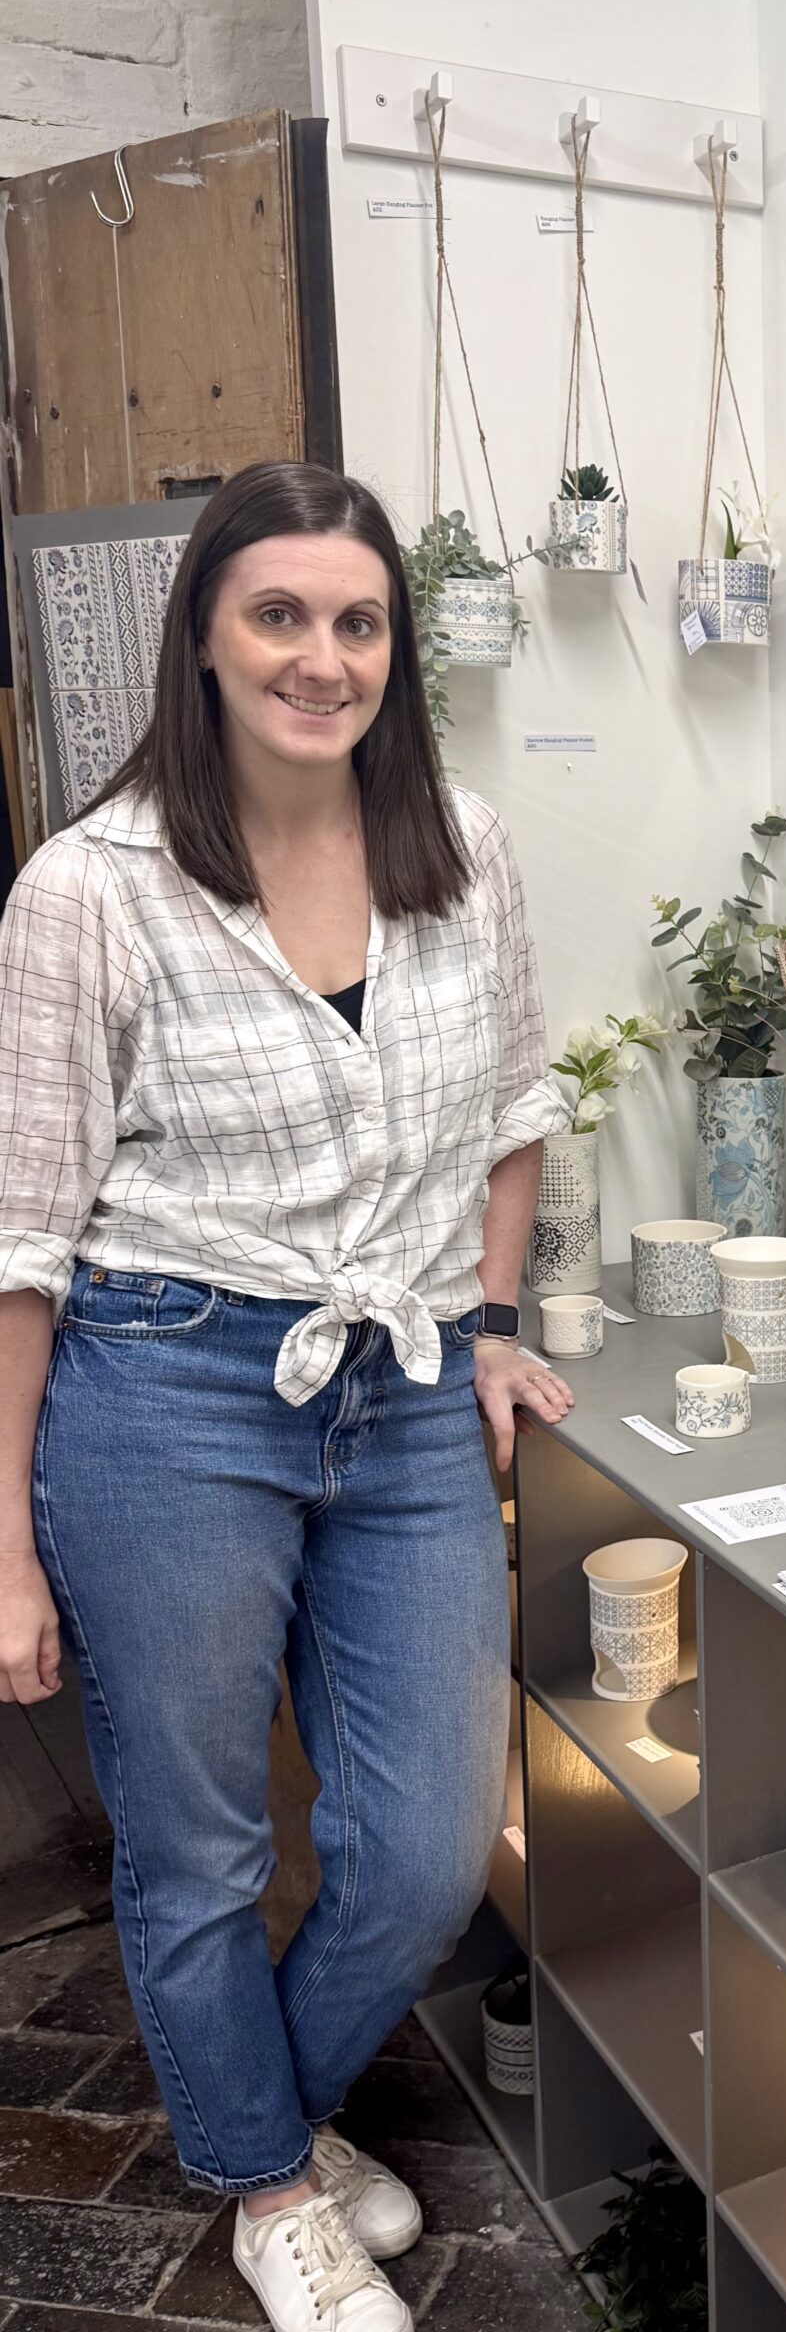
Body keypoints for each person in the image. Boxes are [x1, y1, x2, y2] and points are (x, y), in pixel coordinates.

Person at [0, 462, 577, 2332]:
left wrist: (491, 1321)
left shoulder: (463, 850)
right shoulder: (86, 894)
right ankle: (267, 2183)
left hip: (402, 1387)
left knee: (419, 1852)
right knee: (199, 1846)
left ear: (395, 651)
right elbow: (20, 1240)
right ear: (204, 634)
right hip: (164, 1389)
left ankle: (265, 2112)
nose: (321, 658)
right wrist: (2, 1541)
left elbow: (512, 1121)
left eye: (357, 621)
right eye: (279, 615)